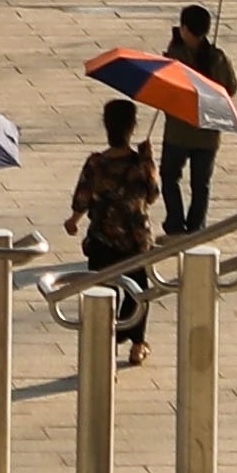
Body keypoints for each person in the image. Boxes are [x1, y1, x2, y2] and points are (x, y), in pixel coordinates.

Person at [69, 99, 162, 360]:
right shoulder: (140, 164)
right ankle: (135, 343)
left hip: (102, 237)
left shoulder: (96, 163)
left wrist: (74, 220)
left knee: (103, 289)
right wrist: (149, 161)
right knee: (138, 291)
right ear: (132, 127)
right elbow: (153, 195)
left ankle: (106, 338)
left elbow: (83, 197)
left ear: (106, 126)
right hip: (135, 239)